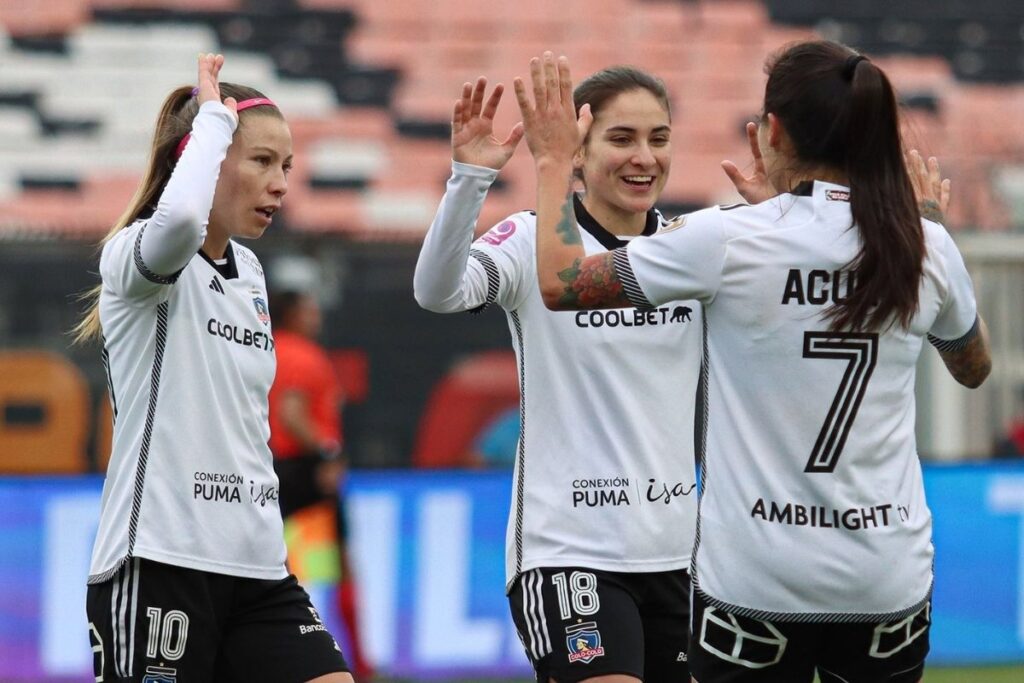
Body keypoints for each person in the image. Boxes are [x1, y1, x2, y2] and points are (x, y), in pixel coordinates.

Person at [515, 45, 992, 683]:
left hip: (758, 583)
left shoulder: (728, 238)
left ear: (771, 132)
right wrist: (931, 230)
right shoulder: (924, 243)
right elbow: (972, 365)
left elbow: (561, 282)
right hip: (885, 575)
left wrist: (551, 160)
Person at [414, 70, 702, 682]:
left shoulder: (690, 248)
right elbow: (437, 293)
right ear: (578, 149)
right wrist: (470, 177)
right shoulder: (527, 239)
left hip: (683, 555)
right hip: (570, 551)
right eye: (621, 138)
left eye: (660, 138)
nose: (644, 158)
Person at [72, 54, 352, 683]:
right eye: (261, 161)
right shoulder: (137, 254)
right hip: (162, 558)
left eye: (286, 166)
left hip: (258, 564)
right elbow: (177, 223)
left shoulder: (251, 274)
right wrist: (214, 126)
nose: (280, 183)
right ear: (201, 157)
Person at [268, 289, 373, 680]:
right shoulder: (302, 354)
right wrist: (328, 452)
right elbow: (291, 412)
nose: (316, 315)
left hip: (272, 468)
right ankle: (358, 665)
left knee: (273, 564)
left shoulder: (266, 347)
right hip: (307, 470)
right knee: (341, 567)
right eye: (310, 308)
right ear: (293, 313)